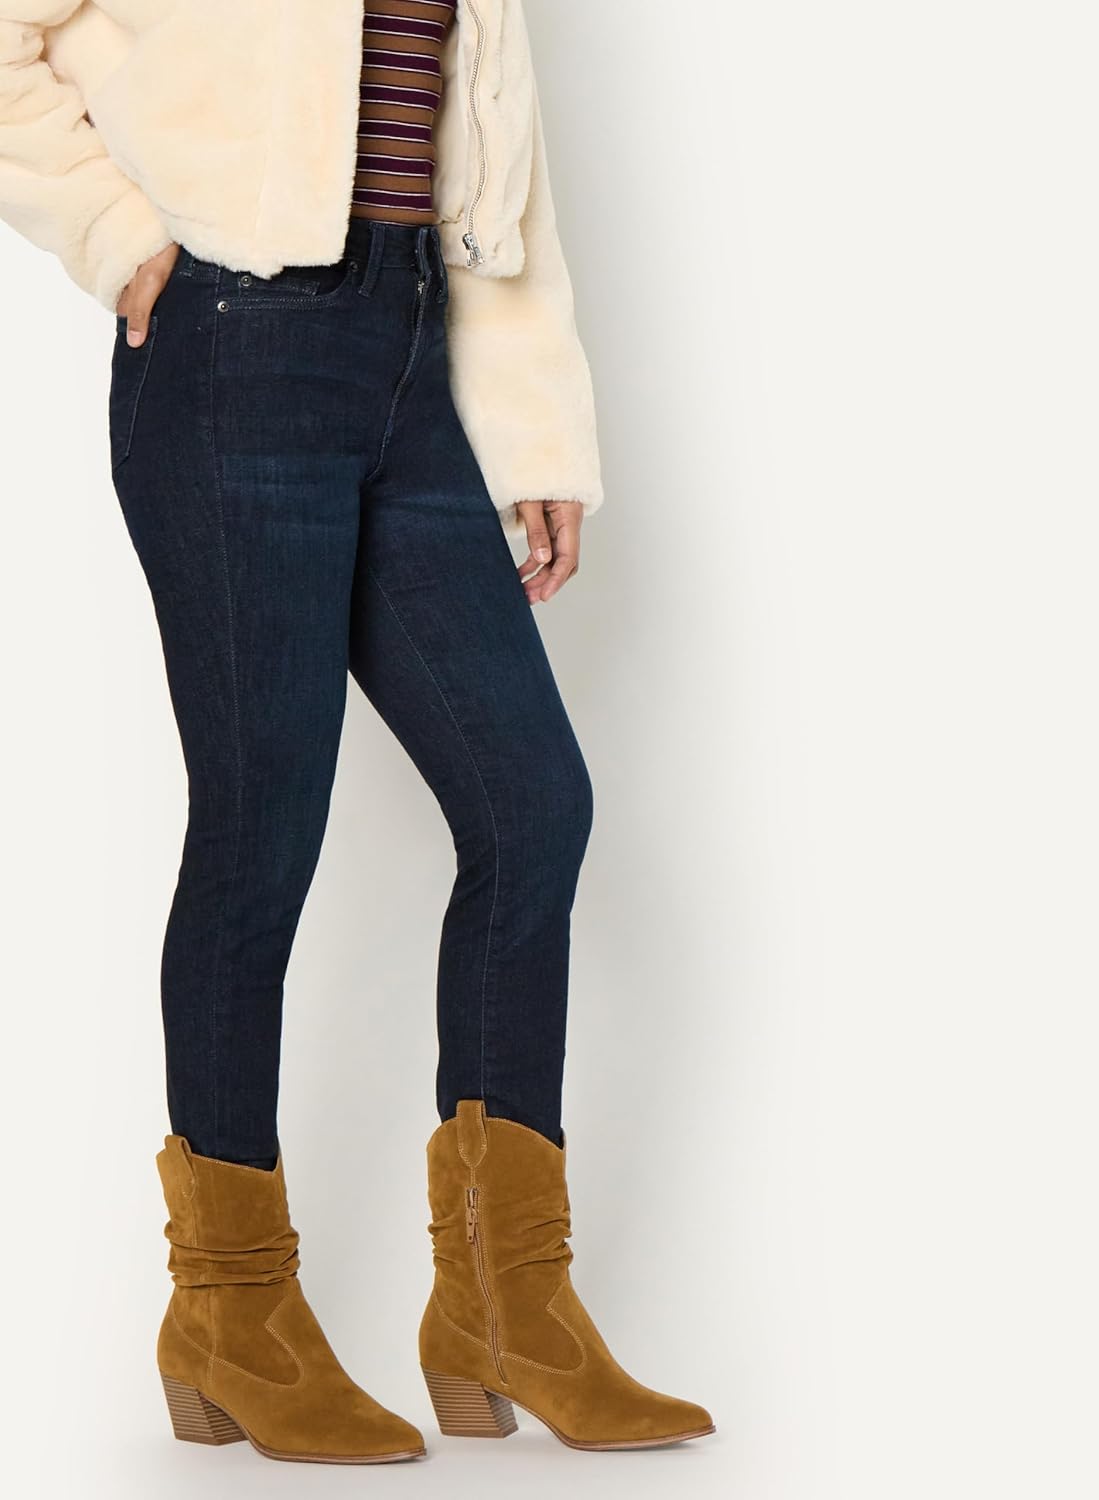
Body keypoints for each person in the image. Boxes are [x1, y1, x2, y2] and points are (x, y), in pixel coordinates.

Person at [0, 0, 713, 1464]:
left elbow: (490, 142)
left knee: (532, 808)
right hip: (231, 351)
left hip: (413, 355)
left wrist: (536, 429)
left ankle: (507, 1309)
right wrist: (117, 233)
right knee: (261, 828)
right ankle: (231, 1315)